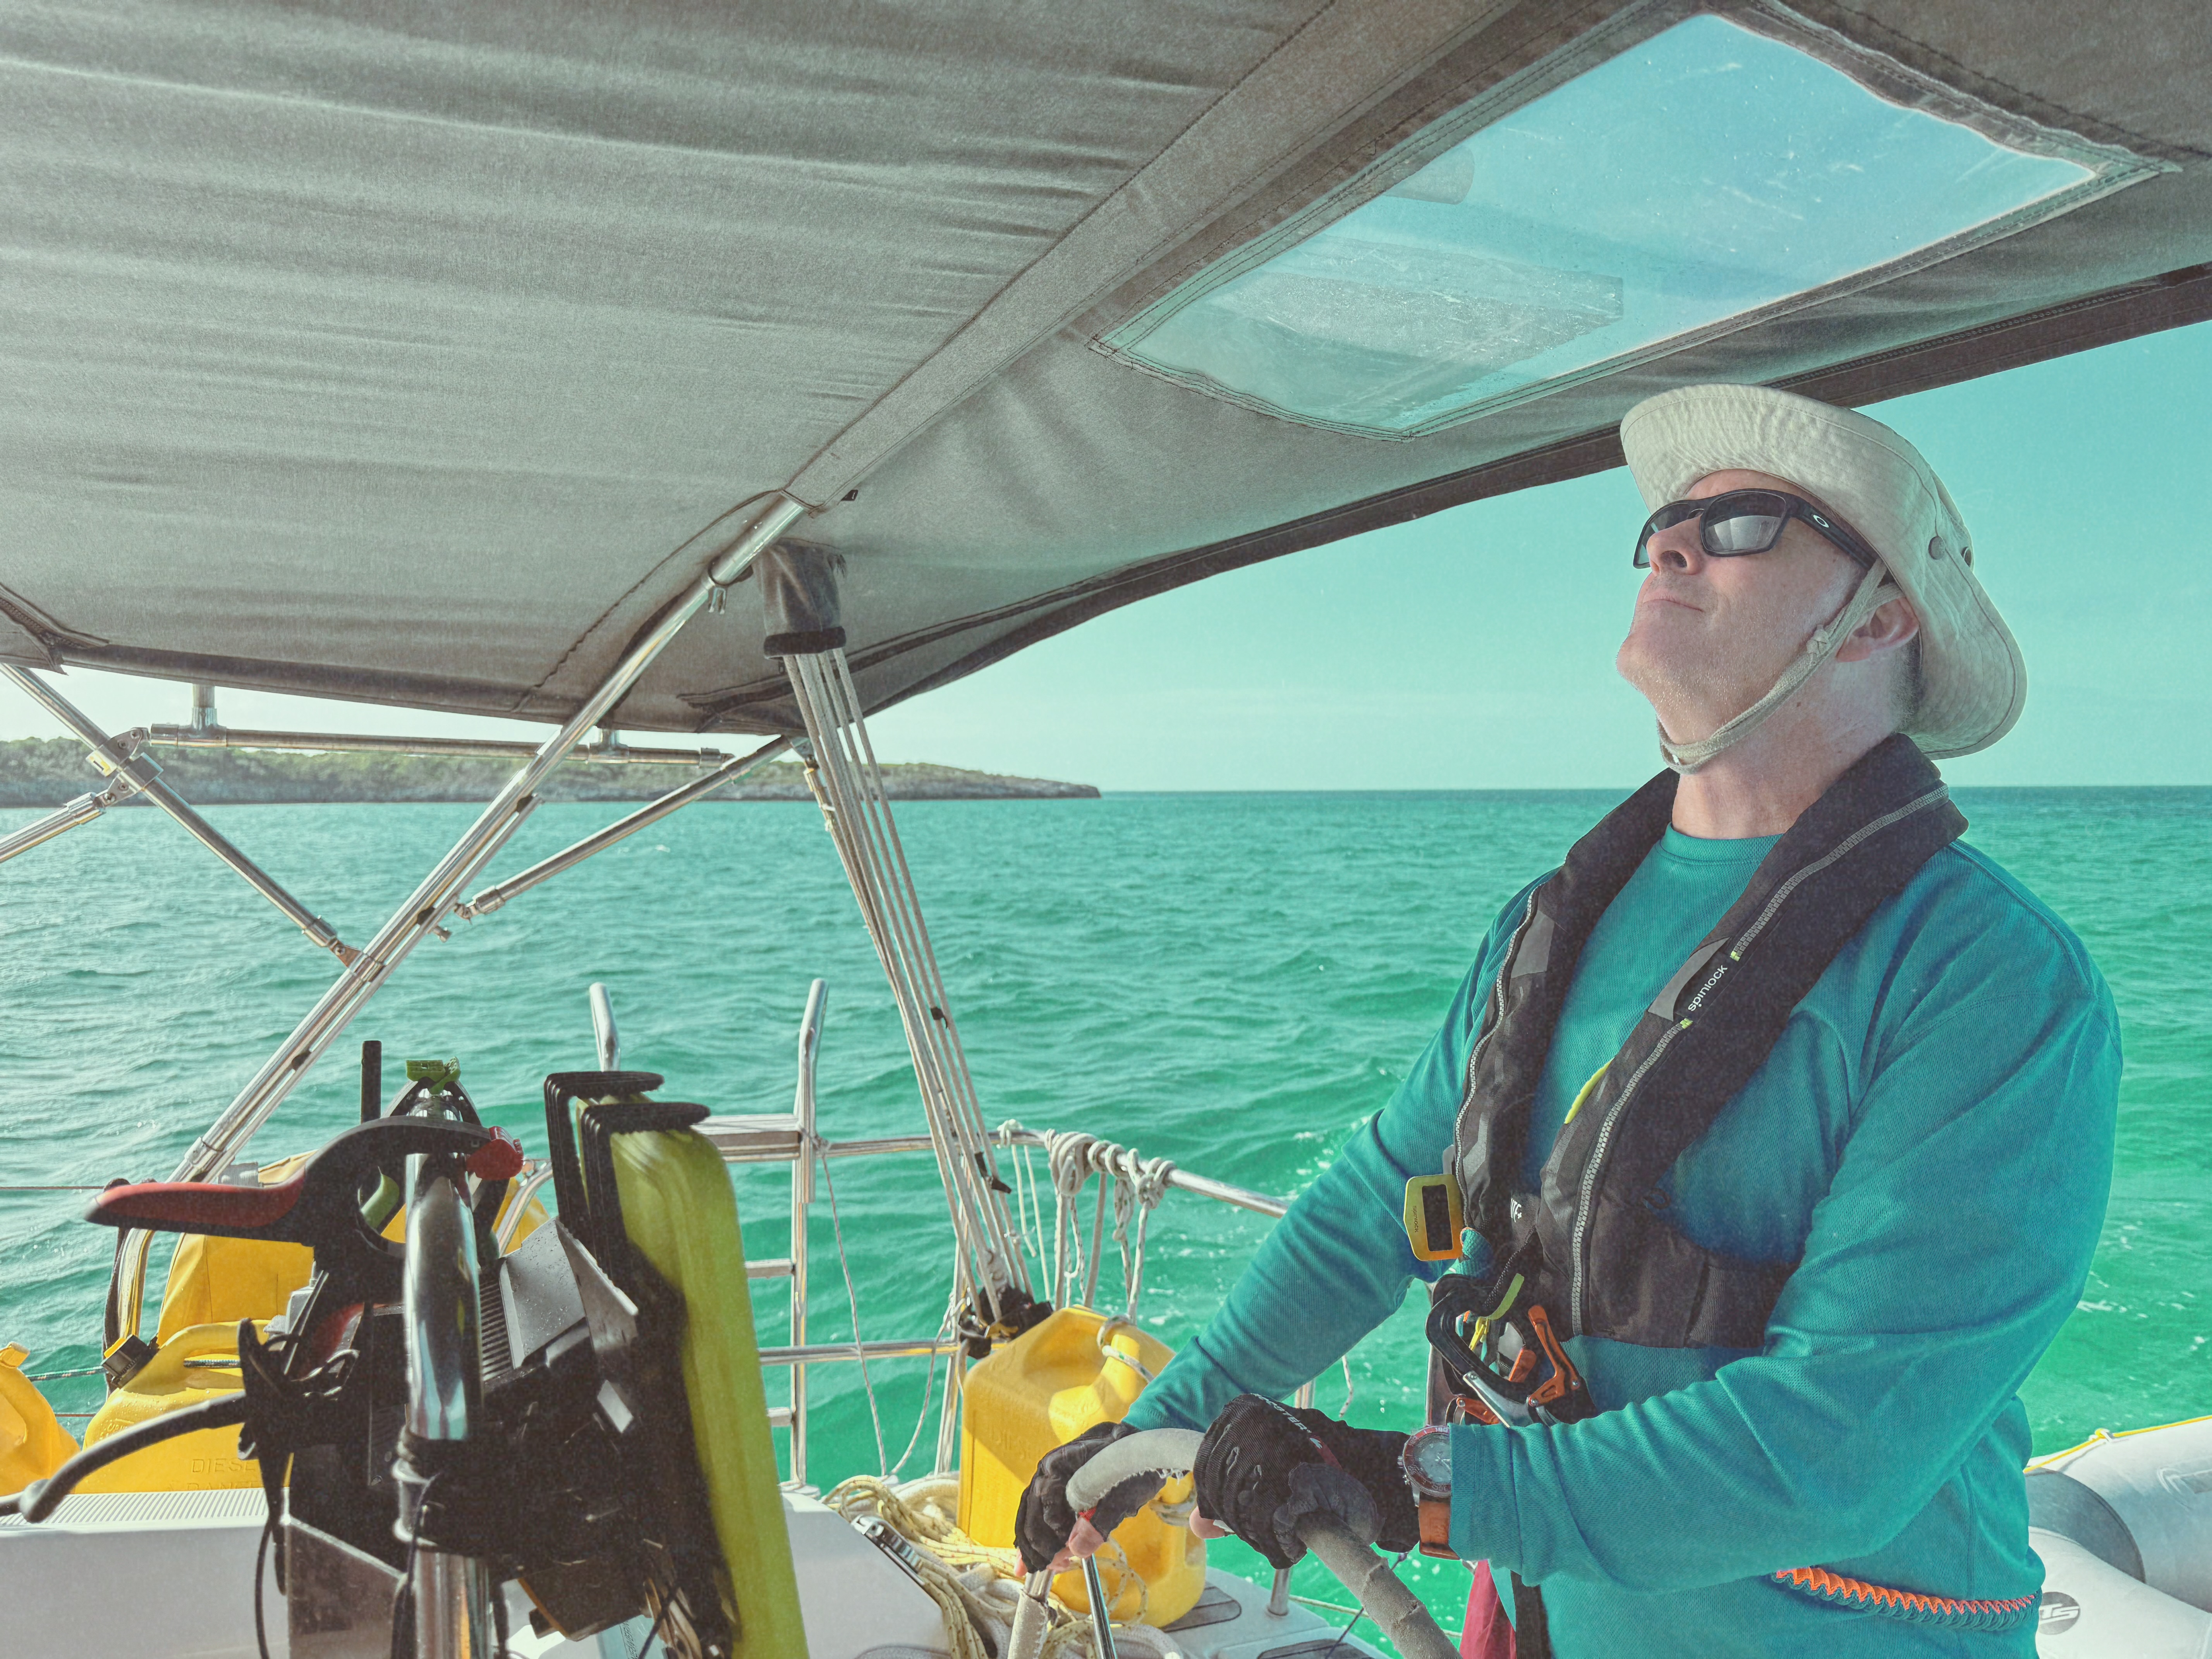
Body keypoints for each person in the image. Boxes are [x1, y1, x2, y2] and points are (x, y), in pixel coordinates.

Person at [1013, 384, 2121, 1656]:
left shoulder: (1992, 982)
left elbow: (1837, 1441)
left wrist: (1403, 1483)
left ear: (1880, 615)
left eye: (1750, 521)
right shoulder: (1546, 929)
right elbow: (1381, 1201)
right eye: (1664, 521)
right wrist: (1153, 1428)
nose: (1673, 541)